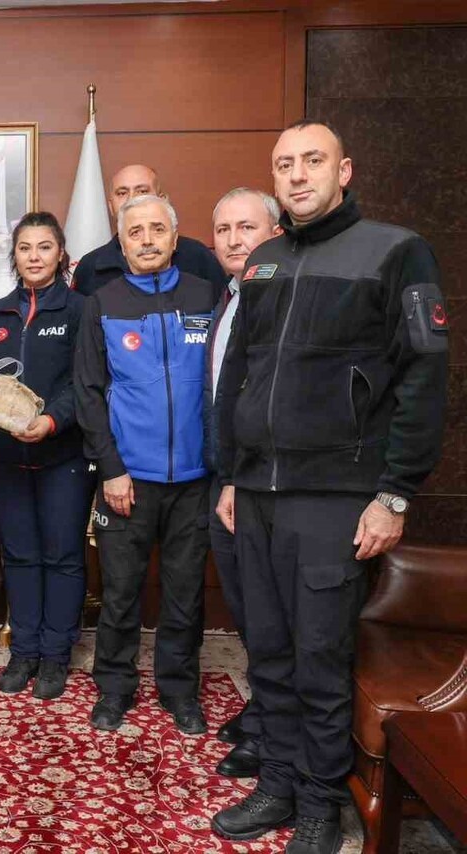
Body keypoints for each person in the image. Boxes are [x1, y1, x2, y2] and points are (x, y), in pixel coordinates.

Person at [211, 120, 449, 854]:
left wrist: (395, 493)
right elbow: (238, 372)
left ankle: (319, 802)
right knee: (269, 650)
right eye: (284, 163)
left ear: (344, 171)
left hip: (337, 495)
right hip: (256, 491)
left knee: (319, 656)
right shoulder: (264, 261)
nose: (297, 174)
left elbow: (425, 377)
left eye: (313, 160)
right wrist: (231, 473)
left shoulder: (395, 251)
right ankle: (279, 783)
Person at [73, 194, 215, 736]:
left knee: (185, 594)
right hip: (127, 479)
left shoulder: (206, 295)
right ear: (121, 243)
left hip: (195, 480)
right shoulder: (102, 303)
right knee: (120, 593)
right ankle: (114, 687)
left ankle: (180, 690)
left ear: (175, 238)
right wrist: (111, 468)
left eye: (158, 229)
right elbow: (88, 394)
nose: (148, 240)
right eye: (136, 232)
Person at [0, 212, 94, 699]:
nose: (35, 256)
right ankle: (23, 651)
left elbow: (85, 383)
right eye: (25, 248)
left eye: (45, 247)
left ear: (61, 254)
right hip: (6, 457)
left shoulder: (81, 310)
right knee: (19, 555)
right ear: (15, 255)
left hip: (63, 456)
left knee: (63, 556)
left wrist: (51, 421)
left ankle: (56, 655)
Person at [205, 187, 283, 780]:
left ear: (275, 234)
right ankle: (263, 710)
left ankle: (275, 735)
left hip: (261, 482)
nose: (234, 239)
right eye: (224, 229)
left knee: (271, 612)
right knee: (246, 604)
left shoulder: (281, 296)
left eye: (247, 227)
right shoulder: (230, 295)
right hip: (226, 475)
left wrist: (238, 475)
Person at [72, 163, 227, 300]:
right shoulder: (90, 267)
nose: (132, 199)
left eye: (142, 191)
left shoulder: (197, 257)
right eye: (122, 193)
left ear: (162, 199)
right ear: (111, 206)